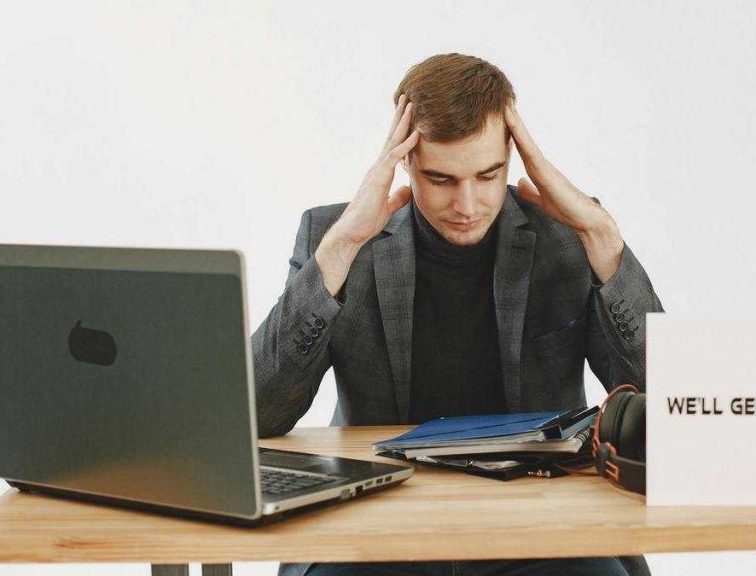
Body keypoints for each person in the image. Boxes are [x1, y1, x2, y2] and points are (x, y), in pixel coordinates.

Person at [252, 53, 664, 576]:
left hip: (541, 527)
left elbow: (670, 405)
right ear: (404, 162)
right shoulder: (334, 237)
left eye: (488, 175)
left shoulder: (567, 235)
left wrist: (602, 237)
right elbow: (259, 414)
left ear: (515, 158)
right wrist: (342, 246)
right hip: (379, 528)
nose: (467, 203)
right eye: (442, 180)